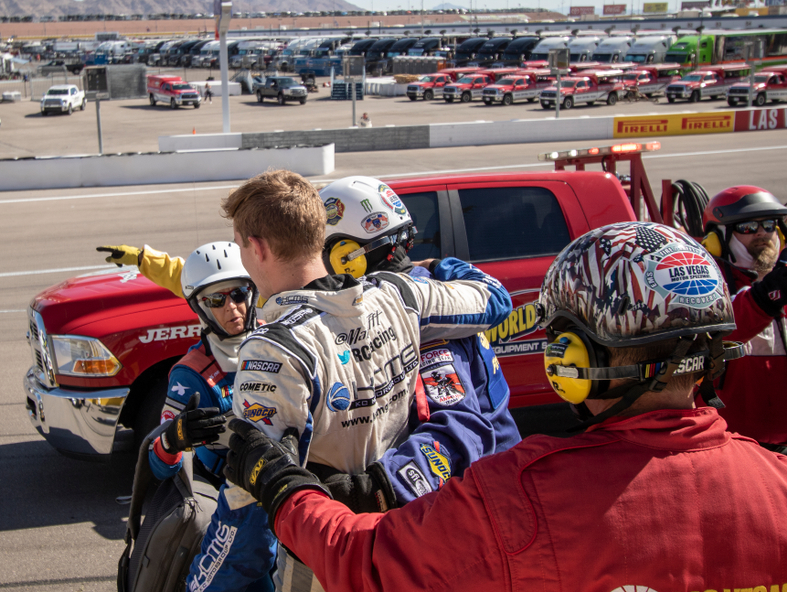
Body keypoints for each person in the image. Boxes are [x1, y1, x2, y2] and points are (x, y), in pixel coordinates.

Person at [225, 221, 787, 591]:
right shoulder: (778, 482)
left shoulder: (517, 496)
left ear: (574, 356)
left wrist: (283, 488)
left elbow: (363, 562)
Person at [222, 169, 513, 591]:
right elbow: (494, 299)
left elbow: (246, 509)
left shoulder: (273, 348)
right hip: (409, 534)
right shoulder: (402, 294)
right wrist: (439, 265)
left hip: (327, 550)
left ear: (257, 247)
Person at [312, 176, 520, 508]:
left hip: (484, 503)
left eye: (323, 255)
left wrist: (374, 490)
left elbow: (460, 432)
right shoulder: (437, 289)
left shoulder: (416, 320)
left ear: (348, 257)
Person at [96, 241, 276, 592]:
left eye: (239, 294)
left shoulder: (281, 342)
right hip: (234, 521)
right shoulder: (190, 375)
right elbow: (160, 467)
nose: (233, 308)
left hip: (288, 504)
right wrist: (173, 439)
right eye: (216, 300)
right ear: (198, 307)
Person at [700, 185, 787, 452]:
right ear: (720, 238)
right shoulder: (705, 283)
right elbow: (724, 329)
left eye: (769, 224)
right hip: (730, 445)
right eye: (748, 226)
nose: (762, 233)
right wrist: (768, 293)